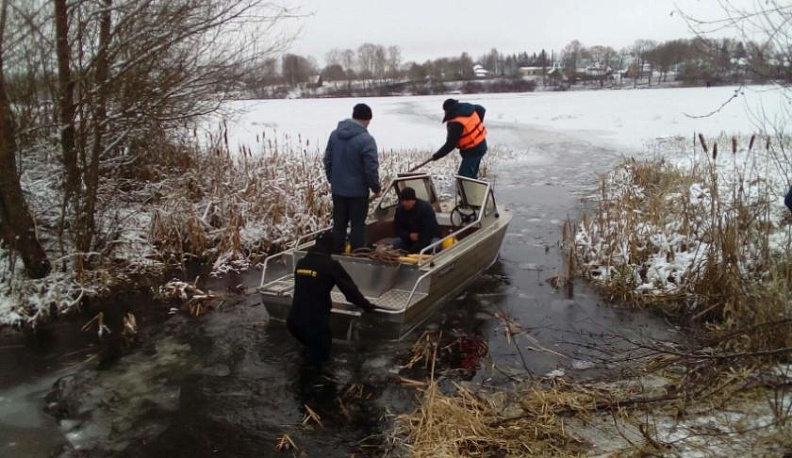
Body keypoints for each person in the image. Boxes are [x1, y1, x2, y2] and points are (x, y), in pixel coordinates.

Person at [287, 232, 376, 366]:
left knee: (306, 356)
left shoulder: (301, 263)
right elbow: (351, 293)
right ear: (330, 247)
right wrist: (367, 306)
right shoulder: (331, 265)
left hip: (294, 323)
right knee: (319, 367)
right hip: (315, 326)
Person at [323, 103, 381, 253]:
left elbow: (327, 160)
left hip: (338, 191)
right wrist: (375, 187)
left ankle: (336, 255)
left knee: (339, 225)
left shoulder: (334, 135)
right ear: (367, 119)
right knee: (357, 226)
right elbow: (371, 168)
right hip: (358, 193)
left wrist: (333, 180)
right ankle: (356, 256)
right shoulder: (366, 139)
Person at [430, 98, 488, 179]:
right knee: (471, 176)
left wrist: (437, 155)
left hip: (473, 151)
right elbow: (481, 109)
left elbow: (450, 144)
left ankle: (469, 191)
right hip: (481, 145)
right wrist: (477, 125)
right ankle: (473, 188)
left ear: (448, 110)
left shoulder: (455, 124)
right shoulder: (468, 108)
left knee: (463, 178)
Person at [393, 187, 441, 254]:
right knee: (396, 242)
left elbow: (429, 229)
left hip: (429, 237)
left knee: (434, 246)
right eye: (402, 201)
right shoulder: (399, 210)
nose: (404, 203)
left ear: (413, 200)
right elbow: (398, 228)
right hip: (410, 238)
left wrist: (417, 248)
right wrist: (409, 235)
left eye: (407, 200)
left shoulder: (425, 208)